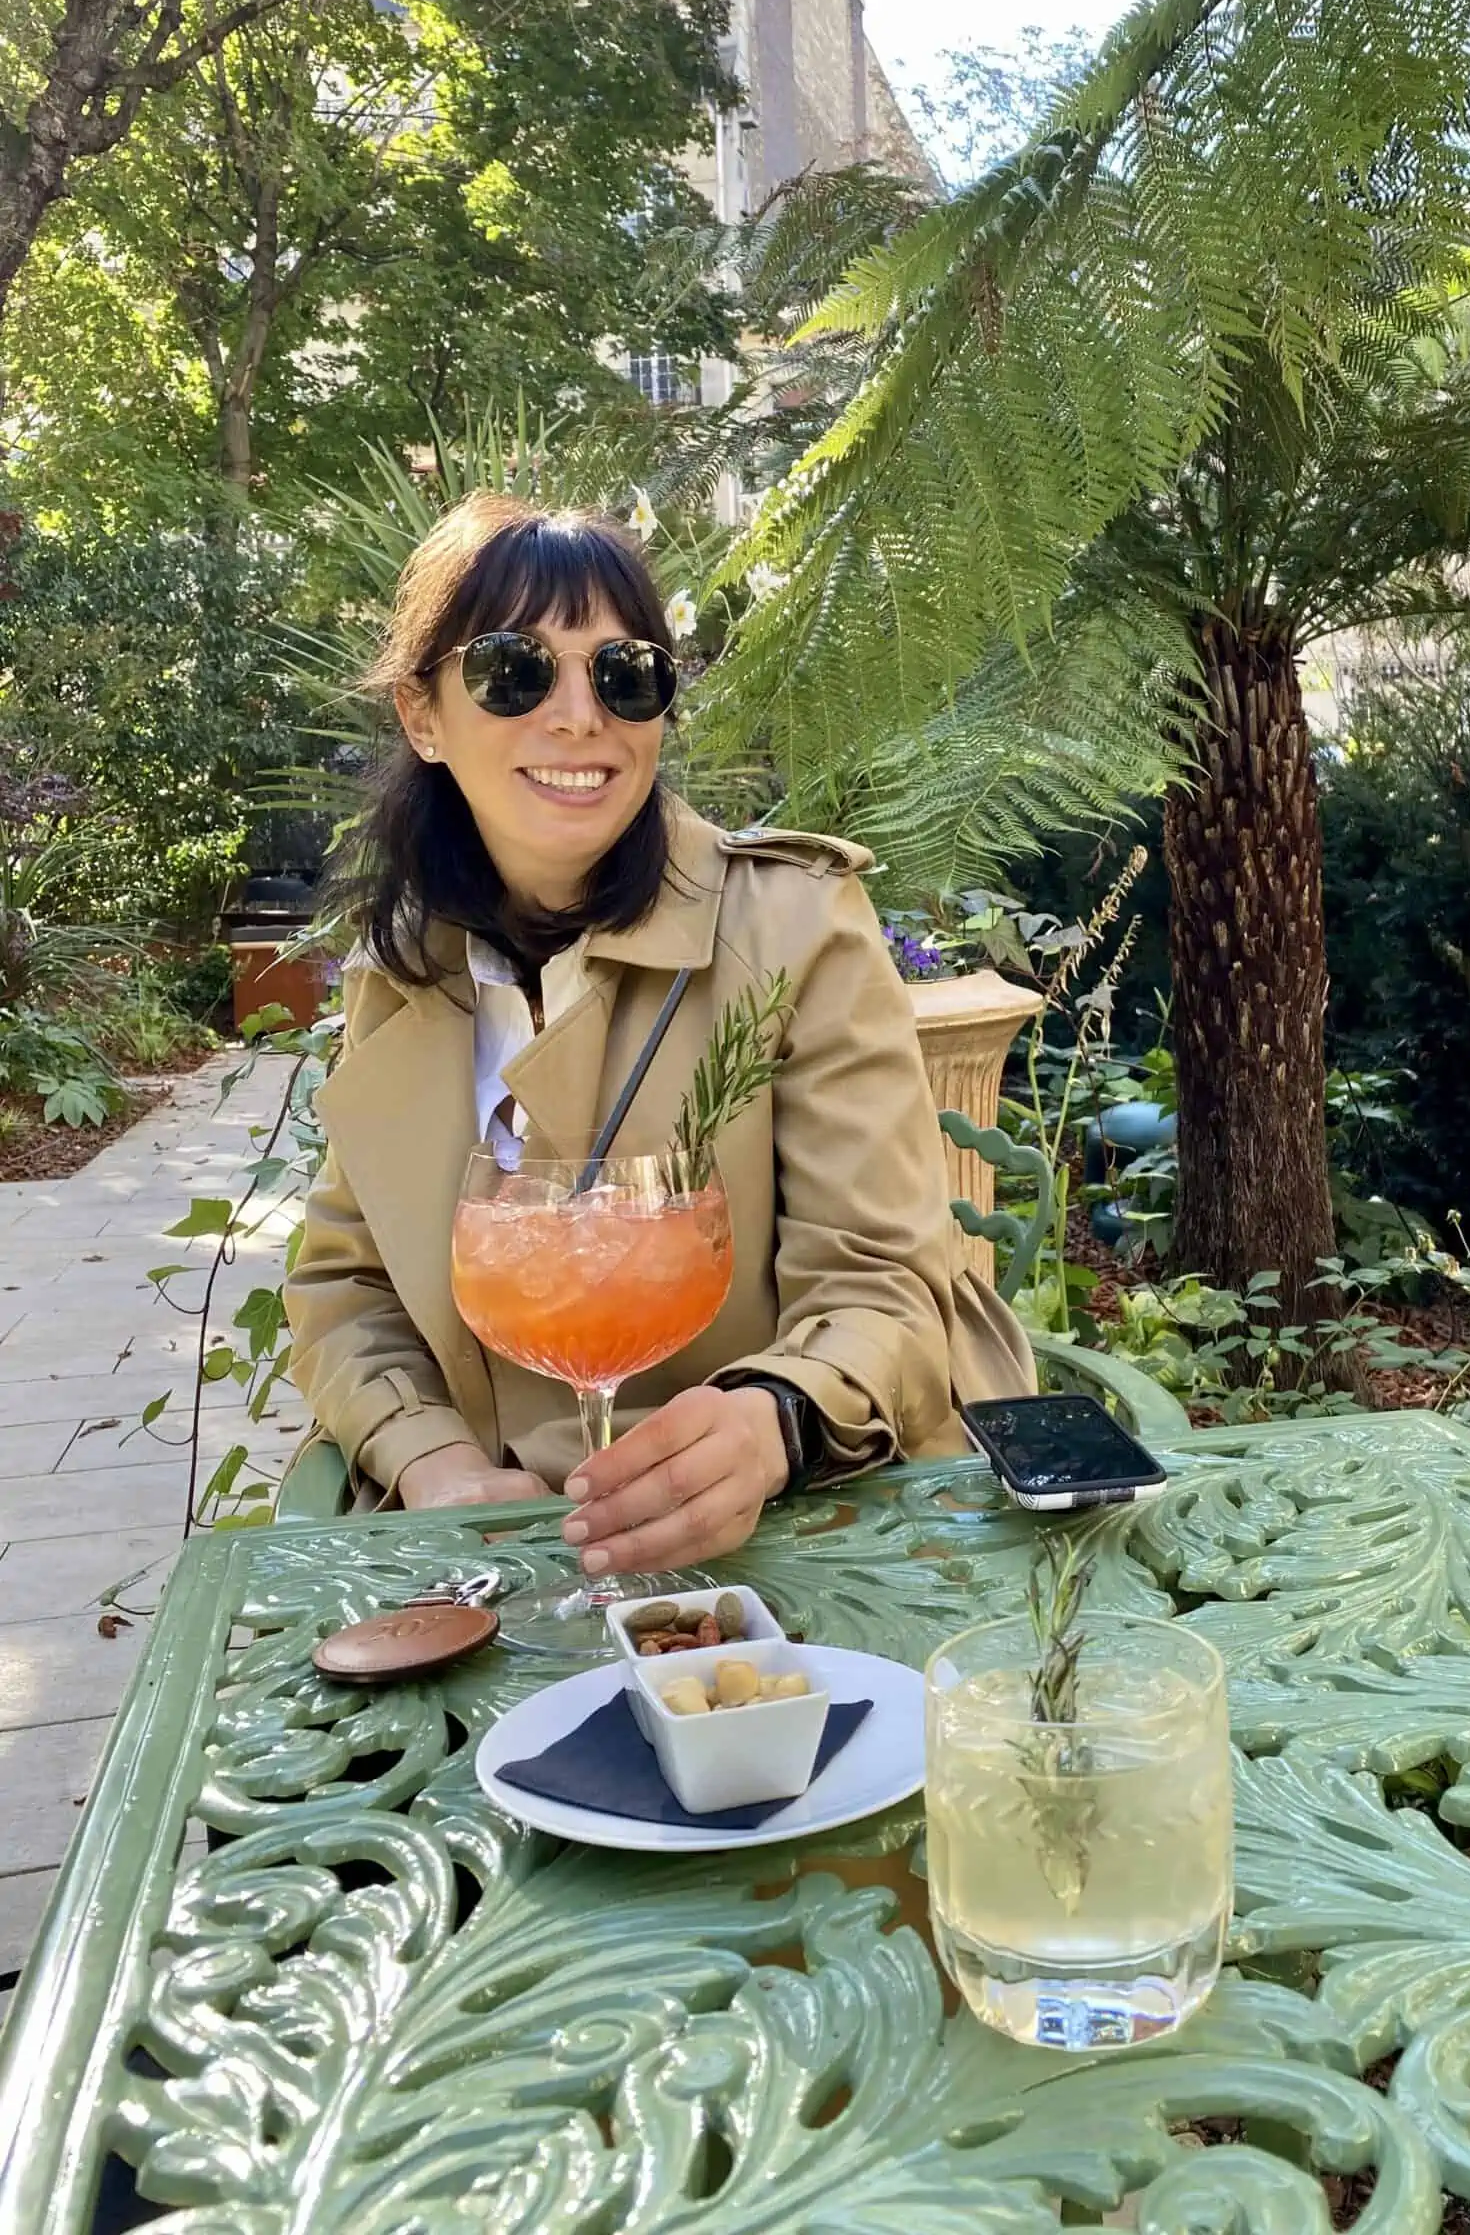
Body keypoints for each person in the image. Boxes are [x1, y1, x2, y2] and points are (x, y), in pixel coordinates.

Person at [286, 491, 1036, 1576]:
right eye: (515, 671)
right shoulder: (404, 973)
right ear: (423, 715)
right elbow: (346, 1286)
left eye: (624, 673)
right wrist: (432, 1460)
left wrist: (771, 1420)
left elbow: (882, 1280)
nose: (580, 715)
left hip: (788, 1531)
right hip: (489, 1545)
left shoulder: (790, 927)